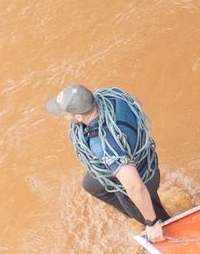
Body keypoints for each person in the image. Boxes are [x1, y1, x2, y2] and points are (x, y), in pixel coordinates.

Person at [46, 83, 169, 241]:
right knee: (91, 185)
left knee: (156, 220)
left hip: (142, 177)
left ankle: (155, 221)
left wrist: (151, 223)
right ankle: (135, 214)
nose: (63, 117)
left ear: (78, 117)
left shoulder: (103, 145)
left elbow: (135, 187)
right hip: (139, 159)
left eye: (65, 113)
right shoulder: (112, 97)